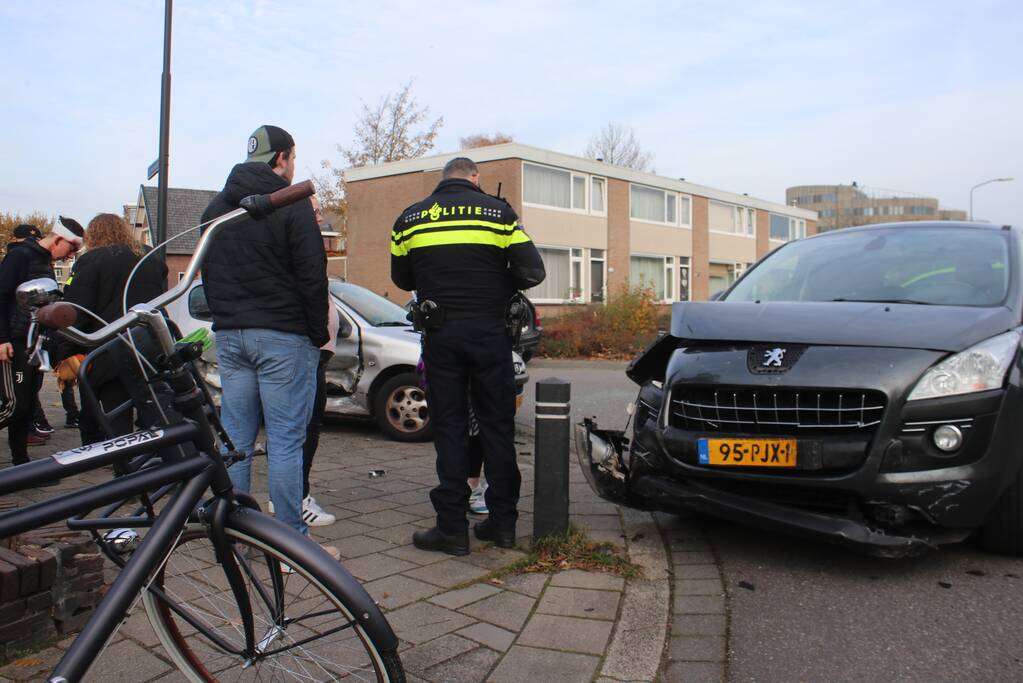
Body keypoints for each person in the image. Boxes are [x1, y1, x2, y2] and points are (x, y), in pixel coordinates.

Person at [392, 157, 545, 555]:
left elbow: (402, 278)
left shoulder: (409, 218)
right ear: (475, 178)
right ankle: (503, 525)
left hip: (441, 336)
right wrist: (495, 281)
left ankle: (452, 529)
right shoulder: (500, 214)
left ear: (444, 180)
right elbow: (533, 272)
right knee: (497, 428)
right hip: (490, 334)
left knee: (450, 429)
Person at [201, 125, 332, 550]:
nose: (294, 167)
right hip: (282, 337)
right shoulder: (290, 204)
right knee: (285, 440)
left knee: (236, 439)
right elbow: (313, 276)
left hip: (231, 338)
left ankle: (236, 533)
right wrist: (316, 334)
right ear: (282, 159)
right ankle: (291, 543)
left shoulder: (215, 209)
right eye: (293, 159)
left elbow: (210, 275)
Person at [57, 213, 167, 445]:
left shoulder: (91, 260)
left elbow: (79, 308)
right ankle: (156, 458)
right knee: (152, 408)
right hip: (149, 342)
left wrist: (65, 349)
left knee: (115, 412)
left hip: (111, 347)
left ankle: (121, 465)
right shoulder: (149, 257)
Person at [0, 218, 84, 465]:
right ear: (58, 240)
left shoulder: (44, 261)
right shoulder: (21, 257)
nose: (70, 257)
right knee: (15, 405)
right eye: (71, 250)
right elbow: (1, 296)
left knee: (25, 406)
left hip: (33, 343)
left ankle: (20, 462)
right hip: (14, 342)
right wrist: (2, 339)